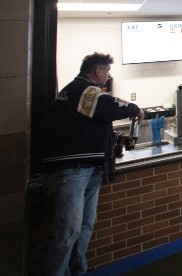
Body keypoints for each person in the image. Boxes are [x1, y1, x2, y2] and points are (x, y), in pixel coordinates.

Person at [41, 53, 144, 276]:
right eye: (106, 71)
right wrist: (135, 109)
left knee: (84, 228)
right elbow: (110, 106)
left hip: (88, 170)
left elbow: (88, 127)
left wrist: (117, 139)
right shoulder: (82, 89)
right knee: (67, 233)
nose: (108, 76)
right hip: (72, 172)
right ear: (97, 71)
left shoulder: (82, 94)